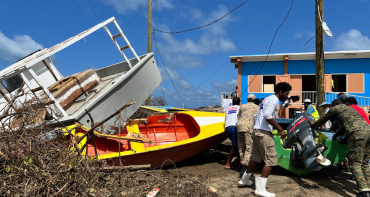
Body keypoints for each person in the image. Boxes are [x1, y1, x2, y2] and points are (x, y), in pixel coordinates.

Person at [238, 82, 291, 197]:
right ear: (280, 92)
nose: (287, 96)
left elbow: (256, 115)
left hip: (257, 131)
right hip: (264, 132)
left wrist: (257, 126)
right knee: (271, 160)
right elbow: (267, 115)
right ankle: (260, 190)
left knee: (255, 158)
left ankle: (244, 180)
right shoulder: (275, 100)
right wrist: (280, 129)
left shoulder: (266, 99)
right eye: (286, 93)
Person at [308, 99, 370, 197]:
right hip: (368, 132)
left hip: (357, 134)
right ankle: (368, 187)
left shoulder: (335, 108)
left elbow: (323, 119)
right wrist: (338, 135)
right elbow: (347, 126)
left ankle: (364, 191)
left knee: (355, 163)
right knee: (364, 163)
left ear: (333, 106)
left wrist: (314, 124)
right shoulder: (350, 110)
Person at [237, 94, 259, 177]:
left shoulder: (242, 107)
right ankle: (245, 168)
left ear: (247, 99)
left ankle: (242, 165)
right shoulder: (257, 107)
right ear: (254, 99)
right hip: (249, 128)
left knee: (241, 147)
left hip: (239, 127)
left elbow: (238, 116)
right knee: (249, 148)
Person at [224, 97, 241, 169]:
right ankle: (228, 164)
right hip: (234, 127)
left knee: (236, 145)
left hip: (227, 127)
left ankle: (239, 163)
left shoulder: (228, 109)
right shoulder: (239, 108)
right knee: (234, 146)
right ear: (238, 102)